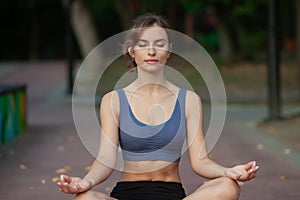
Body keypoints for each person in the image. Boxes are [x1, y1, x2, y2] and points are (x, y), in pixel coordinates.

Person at [57, 13, 259, 200]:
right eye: (143, 44)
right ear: (131, 50)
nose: (151, 51)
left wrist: (228, 172)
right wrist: (86, 182)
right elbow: (105, 158)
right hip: (127, 193)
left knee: (229, 187)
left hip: (170, 193)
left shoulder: (188, 100)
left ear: (168, 50)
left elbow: (200, 162)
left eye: (159, 44)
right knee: (84, 198)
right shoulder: (113, 100)